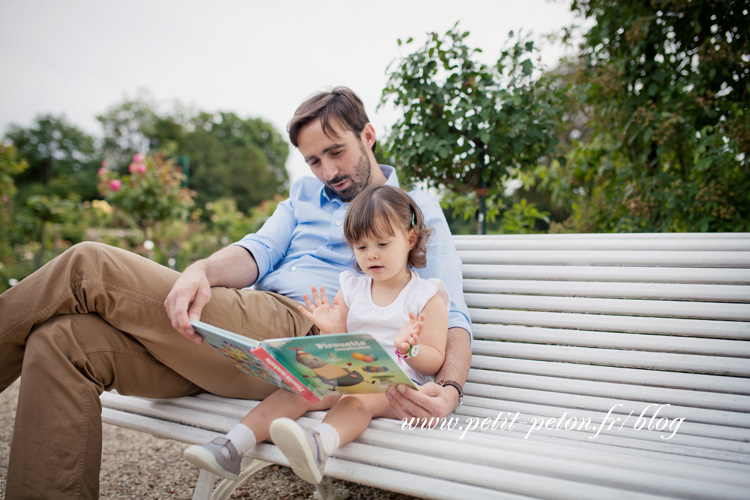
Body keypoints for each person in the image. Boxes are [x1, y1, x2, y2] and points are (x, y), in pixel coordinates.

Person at [0, 86, 471, 499]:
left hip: (306, 335)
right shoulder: (303, 197)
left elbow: (452, 315)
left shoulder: (414, 208)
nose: (328, 170)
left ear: (368, 136)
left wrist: (447, 389)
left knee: (89, 265)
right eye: (313, 160)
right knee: (63, 342)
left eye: (336, 151)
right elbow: (257, 251)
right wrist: (201, 269)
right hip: (238, 340)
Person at [184, 184, 449, 483]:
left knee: (357, 399)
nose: (371, 255)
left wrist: (409, 349)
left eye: (382, 244)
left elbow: (435, 360)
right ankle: (231, 447)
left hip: (401, 390)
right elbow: (346, 344)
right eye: (361, 247)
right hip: (357, 374)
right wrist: (330, 329)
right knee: (300, 388)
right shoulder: (353, 289)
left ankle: (317, 445)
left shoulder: (426, 295)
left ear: (410, 238)